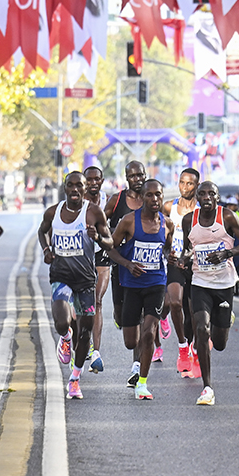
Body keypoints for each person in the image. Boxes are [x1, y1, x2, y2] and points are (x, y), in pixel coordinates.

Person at [38, 172, 113, 399]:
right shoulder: (54, 212)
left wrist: (97, 238)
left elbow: (110, 242)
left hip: (85, 280)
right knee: (62, 322)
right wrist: (47, 250)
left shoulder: (93, 212)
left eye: (78, 186)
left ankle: (75, 379)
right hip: (61, 276)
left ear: (84, 188)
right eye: (70, 185)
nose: (74, 190)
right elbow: (42, 231)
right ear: (65, 188)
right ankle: (65, 337)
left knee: (85, 331)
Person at [179, 181, 239, 405]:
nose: (206, 197)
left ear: (217, 197)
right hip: (200, 282)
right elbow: (188, 249)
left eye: (211, 193)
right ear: (197, 198)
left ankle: (226, 318)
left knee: (219, 343)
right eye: (202, 194)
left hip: (224, 285)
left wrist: (227, 253)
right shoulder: (188, 220)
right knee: (201, 329)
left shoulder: (228, 217)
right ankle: (207, 387)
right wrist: (183, 259)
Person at [106, 179, 174, 400]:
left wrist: (169, 257)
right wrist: (127, 264)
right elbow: (110, 250)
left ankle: (142, 383)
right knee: (130, 341)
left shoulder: (168, 224)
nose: (155, 199)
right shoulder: (128, 222)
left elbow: (166, 249)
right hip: (131, 286)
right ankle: (137, 363)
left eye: (158, 195)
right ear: (142, 198)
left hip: (155, 284)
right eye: (150, 195)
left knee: (148, 333)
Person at [103, 161, 149, 382]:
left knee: (142, 318)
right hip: (120, 265)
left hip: (144, 269)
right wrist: (115, 232)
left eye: (141, 174)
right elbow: (100, 223)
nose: (137, 179)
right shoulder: (117, 200)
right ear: (126, 178)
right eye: (133, 176)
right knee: (122, 318)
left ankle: (137, 366)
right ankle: (120, 316)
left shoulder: (151, 199)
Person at [162, 168, 200, 377]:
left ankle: (194, 347)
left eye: (190, 183)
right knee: (175, 303)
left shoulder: (204, 209)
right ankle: (183, 347)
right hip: (175, 263)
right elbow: (162, 233)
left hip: (196, 265)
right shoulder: (170, 207)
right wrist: (166, 252)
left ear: (197, 186)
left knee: (193, 313)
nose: (185, 187)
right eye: (182, 183)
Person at [82, 165, 110, 373]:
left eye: (96, 179)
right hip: (80, 255)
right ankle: (79, 340)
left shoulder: (109, 200)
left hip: (102, 253)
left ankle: (96, 351)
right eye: (89, 179)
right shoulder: (76, 201)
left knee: (97, 300)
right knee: (82, 304)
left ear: (102, 181)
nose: (93, 183)